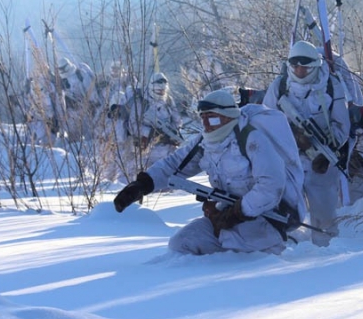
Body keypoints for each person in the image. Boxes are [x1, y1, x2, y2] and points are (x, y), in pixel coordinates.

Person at [114, 89, 290, 255]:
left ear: (228, 117)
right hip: (223, 219)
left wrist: (238, 212)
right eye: (202, 118)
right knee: (180, 244)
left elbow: (271, 186)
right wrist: (143, 184)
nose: (206, 125)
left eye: (211, 118)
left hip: (261, 222)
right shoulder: (204, 142)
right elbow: (174, 165)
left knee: (241, 260)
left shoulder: (252, 139)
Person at [263, 40, 350, 246]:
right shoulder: (280, 86)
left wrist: (324, 148)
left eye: (305, 66)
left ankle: (326, 253)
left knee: (324, 213)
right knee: (286, 211)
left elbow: (342, 126)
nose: (300, 71)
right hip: (287, 161)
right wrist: (292, 137)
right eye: (295, 66)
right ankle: (284, 252)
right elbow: (266, 121)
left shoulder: (331, 85)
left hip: (321, 160)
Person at [127, 72, 183, 168]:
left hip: (167, 151)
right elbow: (132, 125)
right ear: (151, 88)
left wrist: (170, 135)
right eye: (159, 91)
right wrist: (150, 132)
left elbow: (177, 121)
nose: (161, 93)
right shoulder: (141, 102)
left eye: (163, 91)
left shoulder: (169, 101)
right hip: (146, 154)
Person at [57, 56, 99, 142]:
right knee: (73, 137)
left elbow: (91, 91)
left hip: (85, 109)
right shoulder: (62, 79)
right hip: (71, 112)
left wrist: (92, 106)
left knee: (89, 137)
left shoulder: (81, 75)